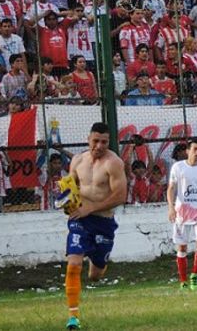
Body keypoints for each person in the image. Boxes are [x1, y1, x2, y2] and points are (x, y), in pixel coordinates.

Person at [63, 122, 127, 330]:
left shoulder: (114, 163)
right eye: (96, 141)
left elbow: (120, 195)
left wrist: (91, 208)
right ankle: (73, 317)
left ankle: (98, 261)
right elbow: (70, 188)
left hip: (103, 223)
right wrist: (65, 201)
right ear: (88, 139)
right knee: (73, 264)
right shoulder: (77, 160)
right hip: (80, 220)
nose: (99, 146)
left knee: (94, 275)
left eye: (104, 142)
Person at [167, 139, 197, 291]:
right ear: (187, 151)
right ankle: (183, 281)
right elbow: (170, 188)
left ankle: (194, 274)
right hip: (182, 212)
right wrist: (171, 208)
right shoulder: (178, 167)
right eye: (195, 149)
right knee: (182, 248)